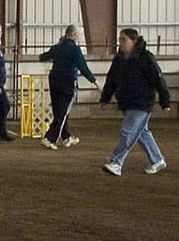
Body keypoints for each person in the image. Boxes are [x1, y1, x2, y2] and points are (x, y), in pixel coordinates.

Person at [99, 28, 170, 176]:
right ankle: (157, 160)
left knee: (128, 132)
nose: (120, 43)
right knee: (141, 132)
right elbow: (111, 80)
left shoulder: (146, 58)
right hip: (126, 102)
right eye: (120, 39)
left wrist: (165, 100)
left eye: (124, 39)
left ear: (134, 41)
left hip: (142, 102)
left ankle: (116, 162)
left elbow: (158, 80)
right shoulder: (119, 59)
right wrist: (105, 97)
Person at [37, 25, 100, 149]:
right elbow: (83, 67)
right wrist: (95, 82)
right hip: (68, 82)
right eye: (79, 35)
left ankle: (66, 137)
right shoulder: (75, 49)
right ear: (73, 35)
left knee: (59, 110)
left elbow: (42, 57)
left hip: (54, 80)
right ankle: (49, 138)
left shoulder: (57, 47)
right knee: (63, 111)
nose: (80, 37)